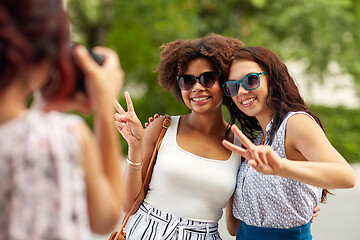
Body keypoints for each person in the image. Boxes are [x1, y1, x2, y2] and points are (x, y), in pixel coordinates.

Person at [0, 0, 124, 239]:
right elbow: (105, 217)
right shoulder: (62, 138)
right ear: (45, 57)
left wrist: (44, 109)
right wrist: (105, 108)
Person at [113, 33, 245, 239]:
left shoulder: (241, 145)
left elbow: (234, 227)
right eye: (187, 81)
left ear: (225, 81)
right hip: (148, 232)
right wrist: (135, 146)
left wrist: (292, 211)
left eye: (208, 78)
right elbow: (129, 204)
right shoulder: (162, 128)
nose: (197, 87)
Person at [221, 46, 356, 239]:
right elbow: (234, 228)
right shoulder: (258, 141)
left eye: (251, 80)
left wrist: (281, 167)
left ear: (273, 79)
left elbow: (346, 176)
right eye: (233, 86)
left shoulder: (295, 123)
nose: (241, 91)